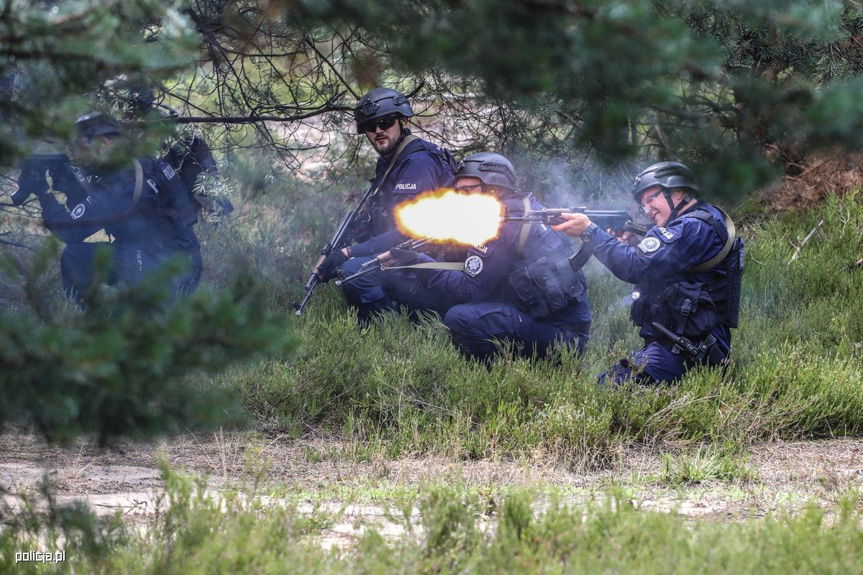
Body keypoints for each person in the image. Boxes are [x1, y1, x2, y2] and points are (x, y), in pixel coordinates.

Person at [552, 161, 745, 384]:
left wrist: (591, 232)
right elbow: (665, 260)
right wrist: (634, 241)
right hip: (680, 346)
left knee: (603, 390)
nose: (647, 208)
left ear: (678, 191)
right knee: (605, 383)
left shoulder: (693, 226)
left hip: (686, 352)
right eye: (643, 203)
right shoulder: (700, 221)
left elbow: (636, 266)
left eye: (651, 198)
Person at [411, 152, 592, 363]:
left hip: (563, 339)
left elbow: (471, 289)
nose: (462, 199)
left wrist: (421, 264)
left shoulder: (506, 223)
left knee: (460, 317)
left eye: (469, 191)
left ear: (494, 189)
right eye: (459, 192)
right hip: (547, 321)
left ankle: (492, 372)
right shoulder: (518, 209)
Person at [15, 112, 202, 306]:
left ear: (103, 142)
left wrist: (44, 192)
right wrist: (72, 188)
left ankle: (86, 322)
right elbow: (104, 209)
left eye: (79, 146)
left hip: (159, 273)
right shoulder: (143, 164)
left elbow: (69, 231)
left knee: (75, 256)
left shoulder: (119, 182)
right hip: (185, 266)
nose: (75, 155)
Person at [314, 87, 457, 323]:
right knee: (352, 263)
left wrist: (349, 252)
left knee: (354, 271)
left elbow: (410, 233)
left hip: (434, 262)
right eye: (371, 126)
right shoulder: (391, 159)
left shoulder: (417, 164)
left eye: (386, 122)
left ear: (402, 120)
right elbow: (392, 218)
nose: (378, 131)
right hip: (411, 253)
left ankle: (394, 329)